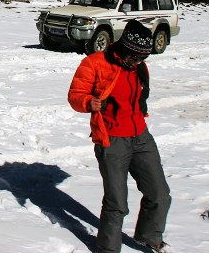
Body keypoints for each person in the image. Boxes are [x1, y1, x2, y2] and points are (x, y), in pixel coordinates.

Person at [68, 20, 171, 253]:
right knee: (116, 203)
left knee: (160, 194)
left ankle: (149, 236)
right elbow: (75, 95)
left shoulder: (138, 67)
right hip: (111, 139)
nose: (137, 62)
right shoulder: (95, 63)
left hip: (140, 135)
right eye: (134, 57)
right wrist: (88, 102)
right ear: (124, 48)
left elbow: (139, 96)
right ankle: (108, 249)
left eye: (142, 58)